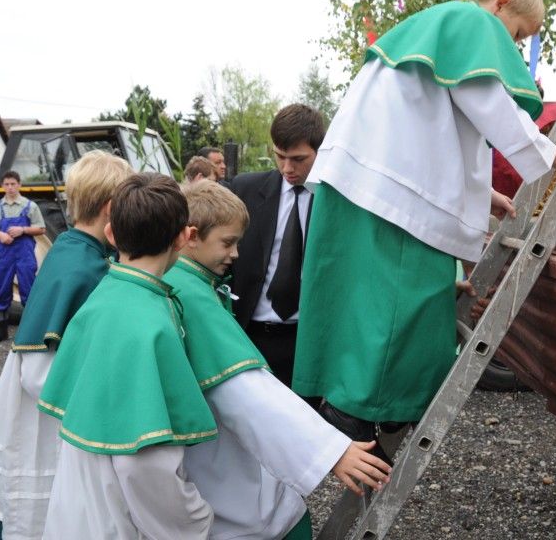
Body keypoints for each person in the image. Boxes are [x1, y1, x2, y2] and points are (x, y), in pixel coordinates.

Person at [291, 0, 556, 452]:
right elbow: (482, 99)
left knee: (356, 302)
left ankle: (339, 401)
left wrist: (480, 197)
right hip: (390, 201)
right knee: (407, 303)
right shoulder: (471, 21)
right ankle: (359, 413)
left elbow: (422, 129)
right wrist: (550, 155)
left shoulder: (432, 26)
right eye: (520, 33)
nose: (517, 47)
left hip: (362, 182)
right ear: (501, 4)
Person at [165, 181, 390, 540]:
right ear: (191, 236)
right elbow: (244, 391)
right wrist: (330, 451)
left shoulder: (183, 278)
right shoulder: (190, 294)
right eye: (227, 243)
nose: (236, 254)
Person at [0, 151, 132, 540]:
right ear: (110, 209)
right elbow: (40, 371)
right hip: (54, 421)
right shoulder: (82, 269)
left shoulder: (76, 251)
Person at [38, 173, 218, 540]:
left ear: (111, 235)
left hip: (76, 511)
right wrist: (196, 520)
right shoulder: (148, 323)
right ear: (184, 238)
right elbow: (143, 465)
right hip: (116, 523)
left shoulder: (101, 298)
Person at [229, 104, 324, 388]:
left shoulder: (336, 204)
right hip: (250, 337)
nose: (287, 168)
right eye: (279, 156)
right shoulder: (244, 190)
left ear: (320, 152)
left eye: (298, 159)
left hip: (308, 344)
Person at [0, 171, 46, 344]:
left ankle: (32, 332)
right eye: (7, 184)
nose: (10, 187)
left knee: (29, 290)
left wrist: (22, 230)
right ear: (2, 186)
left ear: (19, 184)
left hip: (24, 254)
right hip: (4, 254)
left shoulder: (30, 206)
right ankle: (0, 332)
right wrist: (0, 235)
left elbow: (41, 229)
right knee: (0, 289)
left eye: (13, 184)